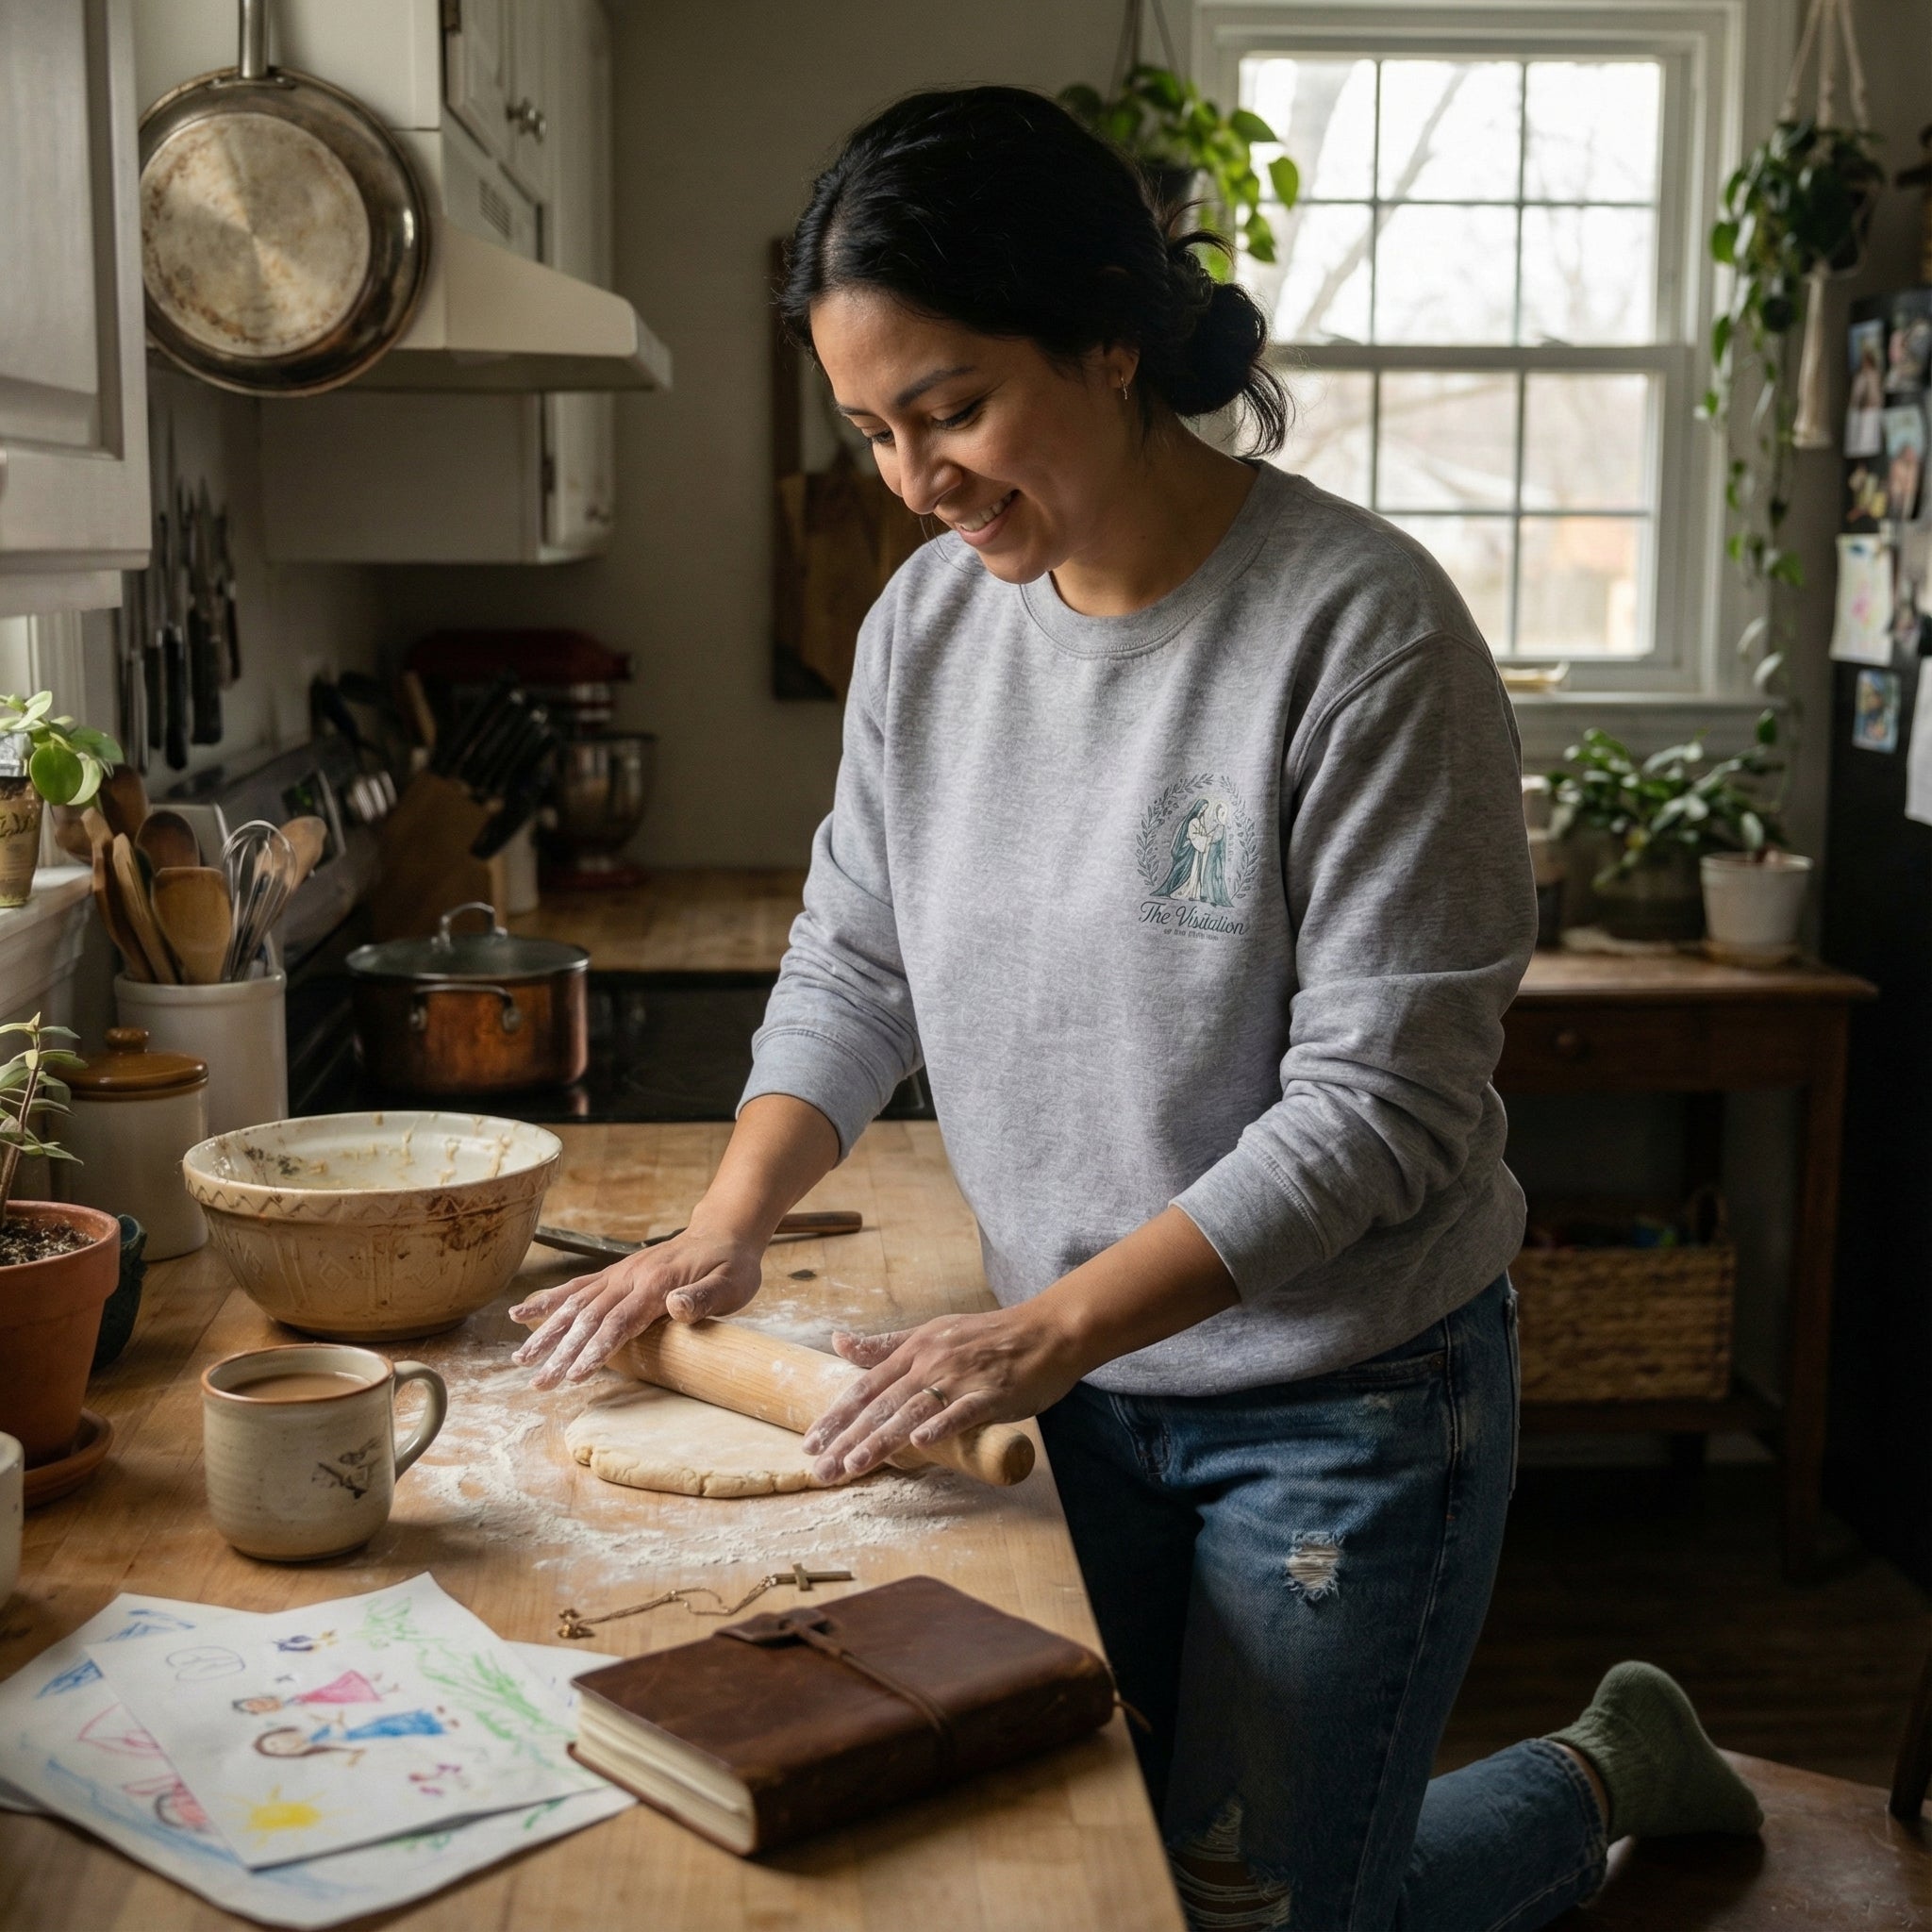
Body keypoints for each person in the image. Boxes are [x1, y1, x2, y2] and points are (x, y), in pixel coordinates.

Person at [510, 87, 1763, 1930]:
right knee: (1144, 1871)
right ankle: (1588, 1769)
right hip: (1076, 1385)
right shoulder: (927, 630)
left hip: (1340, 1403)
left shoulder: (1359, 631)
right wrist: (724, 1225)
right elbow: (858, 953)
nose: (915, 476)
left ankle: (1596, 1770)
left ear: (1111, 339)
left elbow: (1378, 1109)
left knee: (1258, 1908)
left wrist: (1042, 1332)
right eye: (871, 430)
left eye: (950, 408)